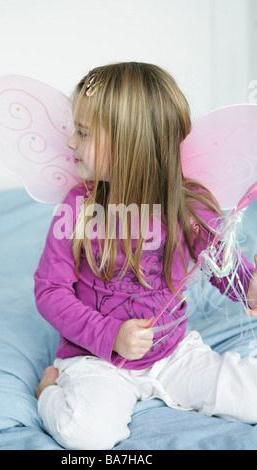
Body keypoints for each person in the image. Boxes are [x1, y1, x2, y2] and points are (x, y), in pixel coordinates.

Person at [34, 62, 257, 450]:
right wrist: (110, 336)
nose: (71, 143)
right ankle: (47, 390)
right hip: (96, 358)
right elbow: (49, 292)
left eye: (83, 133)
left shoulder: (188, 208)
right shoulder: (79, 208)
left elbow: (224, 266)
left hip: (173, 354)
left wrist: (249, 286)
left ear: (129, 143)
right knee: (87, 438)